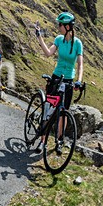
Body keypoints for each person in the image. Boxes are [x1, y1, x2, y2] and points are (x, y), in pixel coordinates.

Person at [35, 12, 84, 149]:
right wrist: (39, 37)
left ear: (68, 27)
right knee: (48, 109)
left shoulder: (78, 43)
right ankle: (42, 141)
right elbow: (48, 53)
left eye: (60, 25)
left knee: (64, 112)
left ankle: (59, 140)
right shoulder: (59, 39)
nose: (58, 27)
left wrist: (79, 81)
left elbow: (80, 65)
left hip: (69, 80)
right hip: (57, 77)